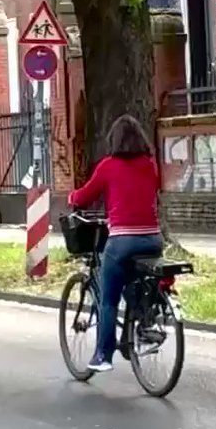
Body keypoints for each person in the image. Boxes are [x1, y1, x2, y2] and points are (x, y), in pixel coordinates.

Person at [67, 114, 162, 373]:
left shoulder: (108, 166)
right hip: (153, 239)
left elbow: (85, 195)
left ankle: (103, 356)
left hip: (123, 240)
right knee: (136, 283)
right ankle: (142, 323)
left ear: (114, 140)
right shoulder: (149, 165)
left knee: (107, 299)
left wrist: (72, 197)